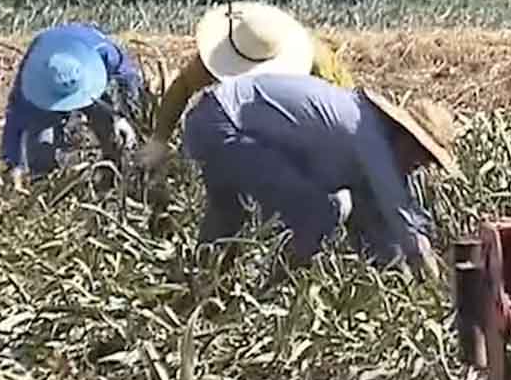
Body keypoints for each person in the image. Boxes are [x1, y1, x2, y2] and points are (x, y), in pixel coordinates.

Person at [179, 70, 457, 279]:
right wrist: (433, 286)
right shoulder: (368, 137)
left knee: (229, 216)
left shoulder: (368, 145)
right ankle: (269, 293)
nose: (420, 165)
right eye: (422, 156)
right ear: (405, 138)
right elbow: (402, 219)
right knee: (317, 213)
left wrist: (397, 274)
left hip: (220, 119)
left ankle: (201, 289)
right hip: (222, 123)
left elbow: (380, 227)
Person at [136, 0, 354, 173]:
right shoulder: (233, 46)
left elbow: (344, 119)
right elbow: (183, 86)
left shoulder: (321, 72)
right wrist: (159, 139)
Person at [0, 22, 146, 180]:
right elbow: (16, 114)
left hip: (91, 81)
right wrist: (13, 162)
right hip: (48, 81)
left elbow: (128, 77)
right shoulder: (34, 71)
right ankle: (43, 182)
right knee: (41, 142)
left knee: (110, 126)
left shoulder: (104, 52)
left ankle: (113, 172)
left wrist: (124, 117)